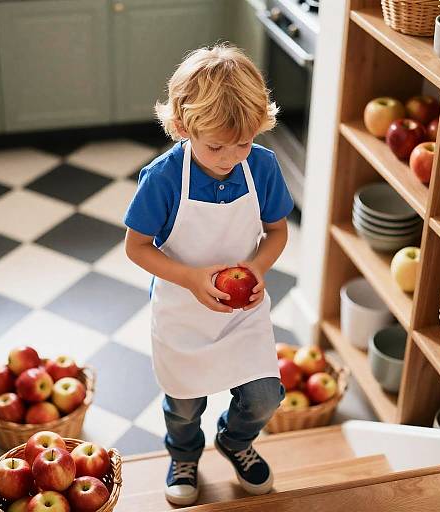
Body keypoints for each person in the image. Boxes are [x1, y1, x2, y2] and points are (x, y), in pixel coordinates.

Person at [123, 43, 294, 506]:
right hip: (182, 310)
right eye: (216, 145)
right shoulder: (162, 178)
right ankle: (183, 454)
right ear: (182, 127)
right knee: (184, 405)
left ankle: (236, 441)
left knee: (264, 396)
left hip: (244, 313)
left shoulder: (261, 166)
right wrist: (192, 279)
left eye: (243, 142)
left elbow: (276, 232)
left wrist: (257, 268)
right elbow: (136, 247)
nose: (230, 157)